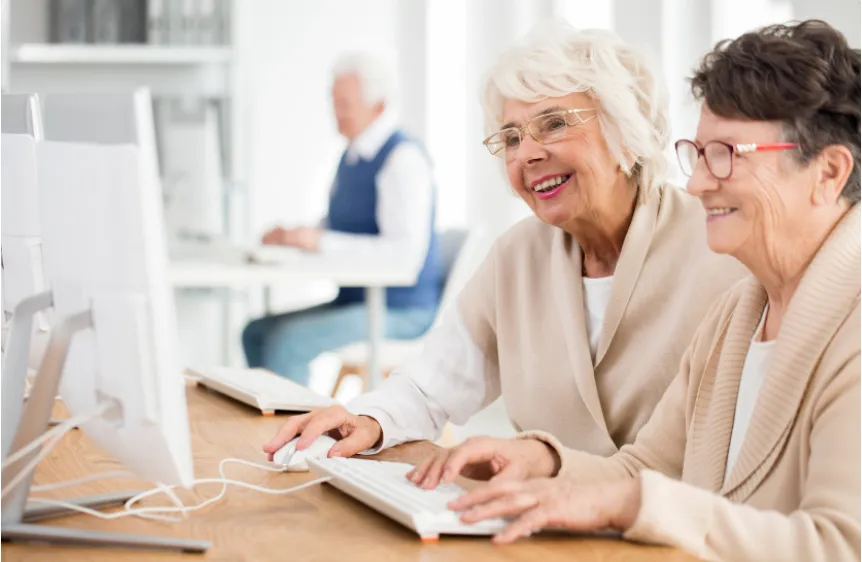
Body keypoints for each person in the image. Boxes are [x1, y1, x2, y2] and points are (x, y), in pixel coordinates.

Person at [420, 20, 861, 562]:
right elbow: (644, 469)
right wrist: (542, 461)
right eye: (696, 154)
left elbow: (840, 546)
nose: (697, 182)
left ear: (828, 172)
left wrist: (631, 505)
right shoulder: (737, 317)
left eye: (725, 153)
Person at [263, 22, 747, 461]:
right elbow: (432, 386)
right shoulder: (517, 257)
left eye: (554, 124)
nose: (528, 154)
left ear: (627, 131)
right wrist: (368, 417)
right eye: (511, 138)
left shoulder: (722, 247)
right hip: (539, 528)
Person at [242, 52, 442, 385]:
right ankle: (264, 423)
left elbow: (403, 254)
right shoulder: (351, 156)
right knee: (256, 332)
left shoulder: (402, 160)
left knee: (288, 342)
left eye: (346, 103)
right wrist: (301, 234)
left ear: (378, 106)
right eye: (334, 102)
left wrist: (319, 242)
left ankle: (290, 435)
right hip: (356, 301)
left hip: (400, 311)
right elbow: (348, 224)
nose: (336, 112)